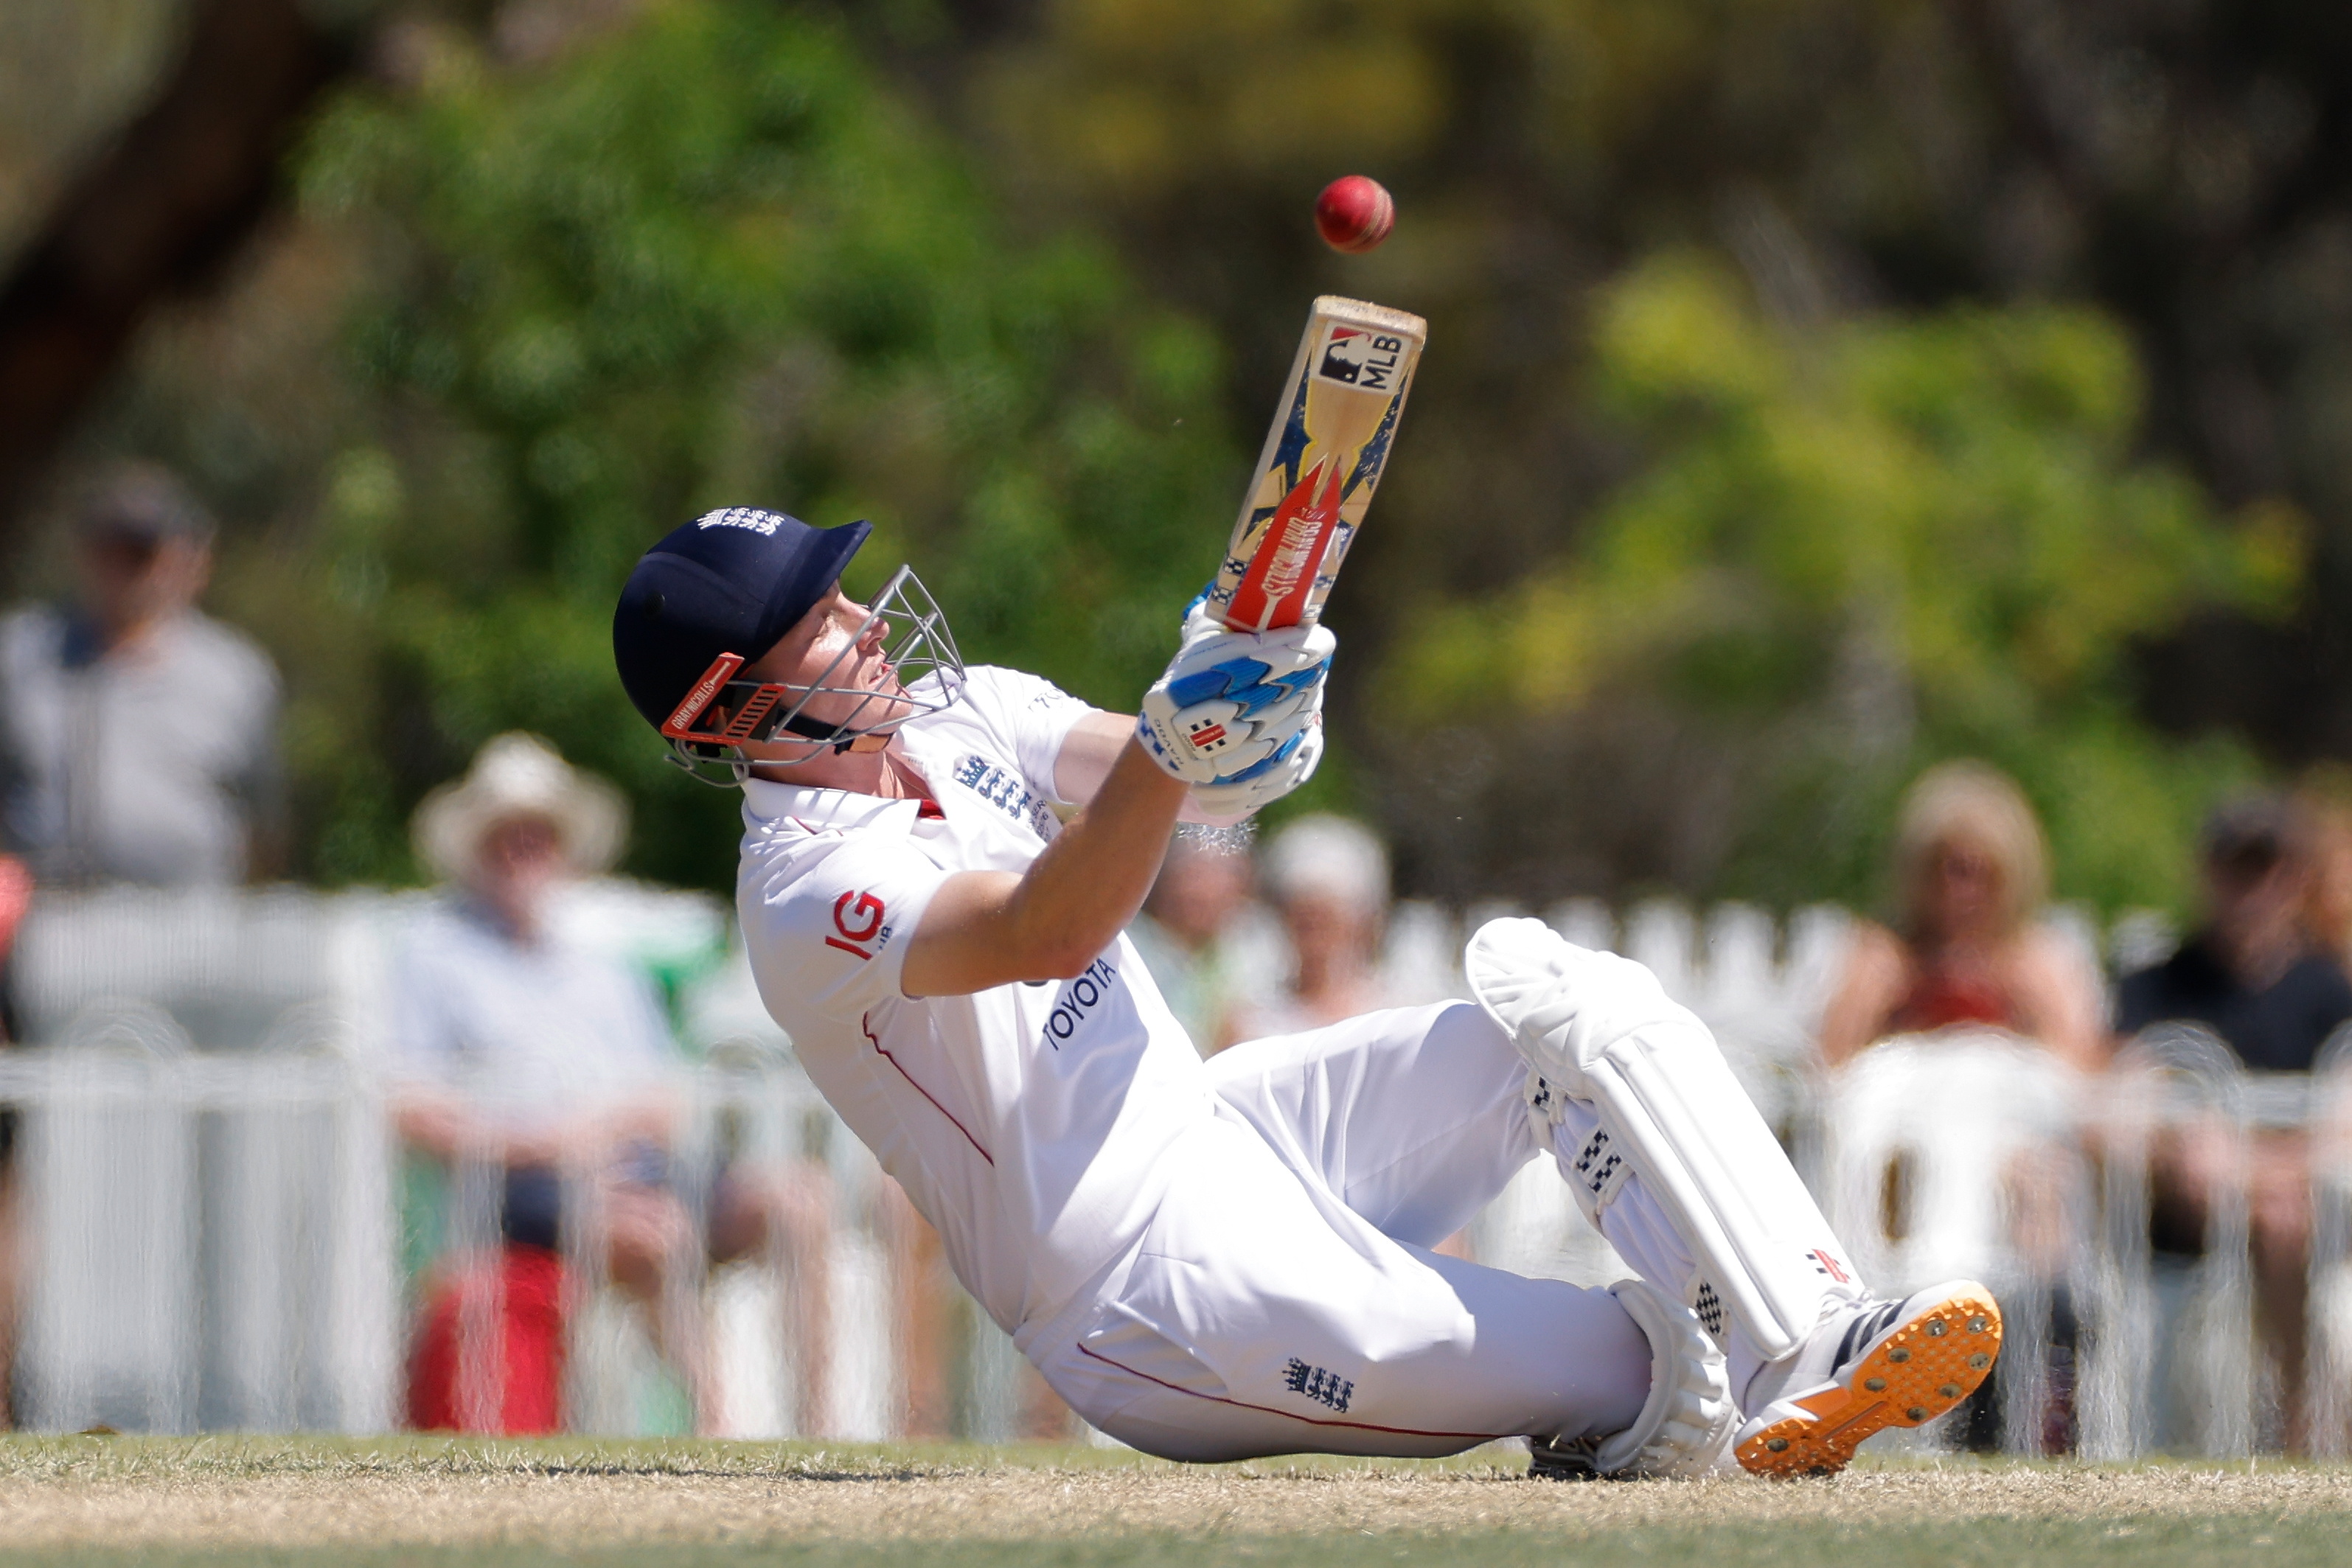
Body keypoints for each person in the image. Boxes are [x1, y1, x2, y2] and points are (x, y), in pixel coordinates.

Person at [610, 506, 2003, 1477]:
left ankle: (1818, 1331)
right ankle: (1711, 1387)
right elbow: (1049, 922)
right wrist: (1177, 740)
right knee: (1656, 1383)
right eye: (816, 623)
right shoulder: (803, 894)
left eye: (842, 589)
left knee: (1564, 998)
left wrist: (1259, 685)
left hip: (1228, 1131)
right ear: (735, 710)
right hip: (1147, 1291)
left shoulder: (963, 706)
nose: (860, 619)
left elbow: (1197, 778)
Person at [388, 732, 790, 1432]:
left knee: (798, 1205)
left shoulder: (604, 965)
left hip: (639, 1171)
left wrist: (601, 1133)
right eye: (509, 833)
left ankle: (832, 1426)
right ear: (479, 844)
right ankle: (727, 1434)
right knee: (657, 1237)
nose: (525, 848)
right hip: (521, 1194)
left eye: (538, 833)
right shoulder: (432, 951)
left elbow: (665, 1097)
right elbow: (411, 1107)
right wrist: (546, 1143)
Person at [2115, 797, 2352, 1448]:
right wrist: (2186, 1149)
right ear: (2208, 872)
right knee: (2274, 1213)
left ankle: (2303, 1416)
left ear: (2295, 876)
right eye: (2237, 867)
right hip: (2180, 1215)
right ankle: (2308, 1425)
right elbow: (2120, 1098)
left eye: (2268, 866)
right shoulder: (2158, 982)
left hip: (2296, 1207)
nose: (2254, 887)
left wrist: (2255, 1168)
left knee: (2283, 1219)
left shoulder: (2329, 990)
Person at [0, 463, 282, 888]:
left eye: (139, 551)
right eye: (106, 547)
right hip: (45, 921)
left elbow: (265, 824)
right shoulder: (22, 654)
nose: (121, 568)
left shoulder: (235, 673)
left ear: (187, 558)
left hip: (188, 924)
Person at [1819, 762, 2104, 1072]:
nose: (1959, 892)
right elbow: (1827, 1069)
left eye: (1978, 874)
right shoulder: (1884, 956)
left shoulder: (2039, 960)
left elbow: (2083, 1078)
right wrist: (1880, 1008)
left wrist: (2031, 1013)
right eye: (1944, 870)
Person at [1221, 814, 1393, 1048]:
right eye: (1304, 919)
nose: (1315, 934)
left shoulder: (1394, 1014)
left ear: (1361, 921)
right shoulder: (1251, 1021)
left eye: (1327, 917)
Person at [1125, 833, 1253, 1056]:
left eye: (1218, 882)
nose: (1205, 892)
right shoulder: (1133, 945)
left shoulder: (1237, 952)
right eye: (1195, 877)